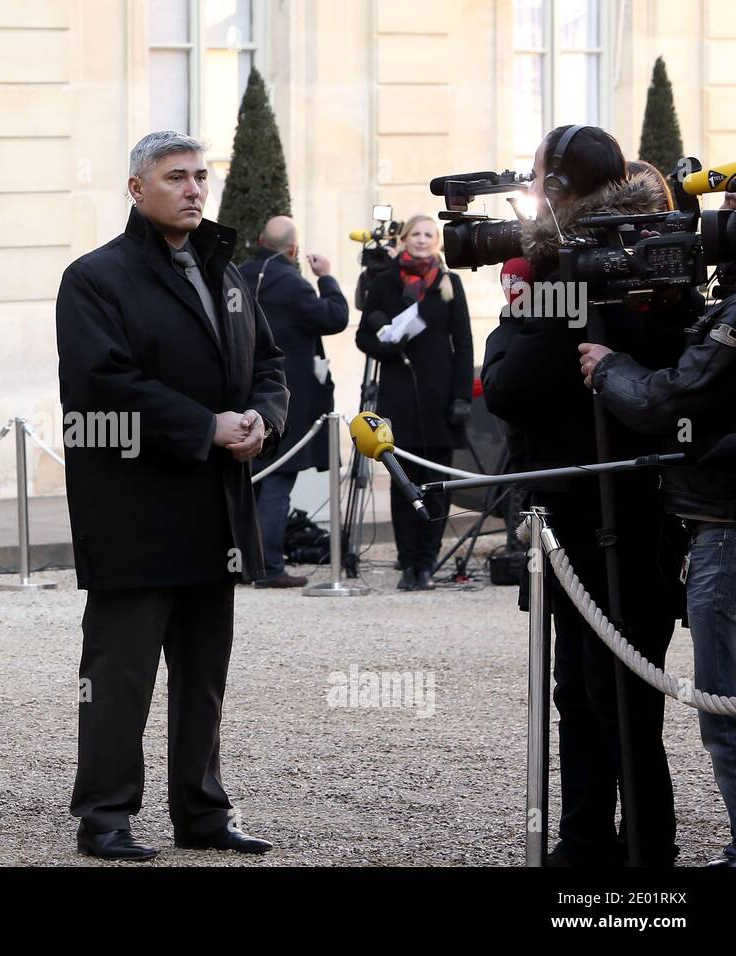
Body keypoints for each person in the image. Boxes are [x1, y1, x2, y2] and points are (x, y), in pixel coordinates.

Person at [55, 130, 288, 861]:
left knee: (204, 679)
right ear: (136, 188)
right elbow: (101, 388)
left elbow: (272, 366)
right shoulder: (95, 278)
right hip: (132, 510)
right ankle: (106, 818)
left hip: (214, 508)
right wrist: (204, 426)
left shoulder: (229, 273)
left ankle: (203, 813)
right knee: (120, 677)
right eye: (176, 178)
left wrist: (262, 422)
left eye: (199, 177)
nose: (193, 190)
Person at [482, 125, 693, 866]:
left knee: (620, 693)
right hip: (572, 513)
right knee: (578, 686)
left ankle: (643, 851)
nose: (531, 192)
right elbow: (510, 381)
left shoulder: (652, 270)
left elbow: (508, 382)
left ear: (562, 187)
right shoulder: (565, 268)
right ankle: (582, 840)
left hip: (627, 513)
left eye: (539, 178)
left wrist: (556, 292)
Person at [578, 256, 736, 868]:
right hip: (714, 526)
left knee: (727, 712)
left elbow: (669, 398)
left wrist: (611, 369)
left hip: (725, 528)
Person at [355, 214, 473, 590]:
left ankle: (427, 560)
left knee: (437, 484)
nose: (422, 240)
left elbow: (464, 343)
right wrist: (385, 346)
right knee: (402, 482)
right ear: (405, 239)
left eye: (429, 235)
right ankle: (407, 562)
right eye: (417, 234)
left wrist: (461, 396)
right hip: (398, 393)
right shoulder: (385, 282)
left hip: (439, 395)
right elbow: (363, 336)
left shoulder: (449, 283)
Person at [237, 215, 348, 588]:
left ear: (258, 240)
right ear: (294, 249)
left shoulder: (236, 275)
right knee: (278, 481)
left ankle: (238, 563)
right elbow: (334, 317)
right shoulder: (293, 284)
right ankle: (269, 565)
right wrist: (327, 278)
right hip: (285, 397)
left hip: (241, 392)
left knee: (246, 483)